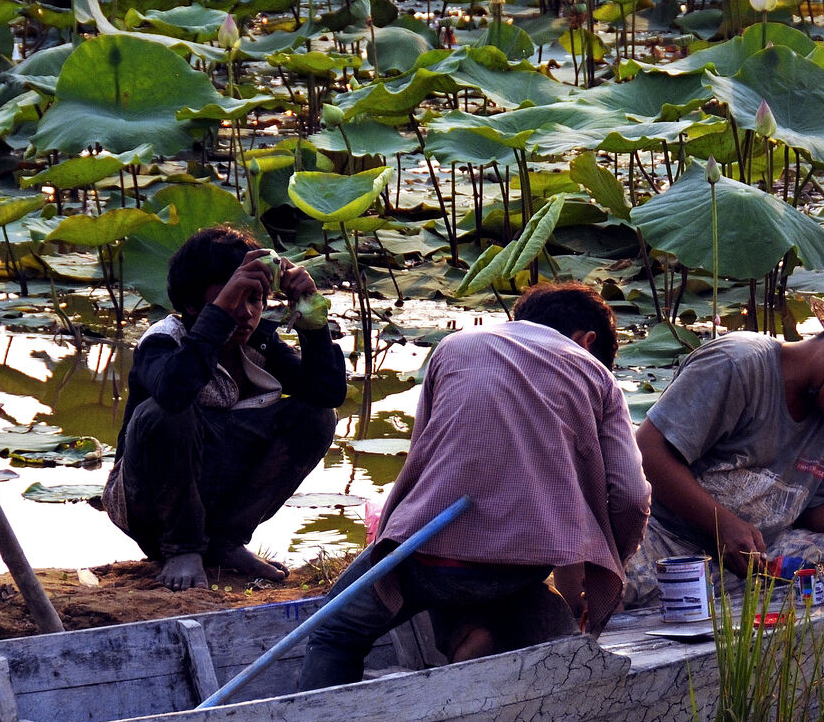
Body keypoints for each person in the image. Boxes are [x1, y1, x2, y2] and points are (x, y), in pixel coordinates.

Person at [295, 283, 650, 692]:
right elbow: (631, 496)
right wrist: (607, 567)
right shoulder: (596, 376)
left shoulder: (454, 346)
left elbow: (420, 464)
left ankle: (321, 721)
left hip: (429, 555)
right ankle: (480, 632)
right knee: (500, 587)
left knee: (335, 632)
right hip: (523, 566)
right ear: (587, 341)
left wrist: (391, 537)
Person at [624, 298, 824, 606]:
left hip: (756, 554)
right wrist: (722, 525)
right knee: (607, 590)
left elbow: (819, 509)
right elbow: (647, 452)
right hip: (664, 536)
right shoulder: (738, 364)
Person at [105, 225, 347, 591]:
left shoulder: (259, 342)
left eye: (255, 300)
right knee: (166, 412)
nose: (246, 314)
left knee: (317, 417)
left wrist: (312, 317)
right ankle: (183, 548)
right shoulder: (162, 342)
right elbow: (173, 394)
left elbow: (325, 393)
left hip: (219, 491)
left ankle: (226, 540)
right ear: (192, 306)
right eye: (234, 300)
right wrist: (218, 317)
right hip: (149, 506)